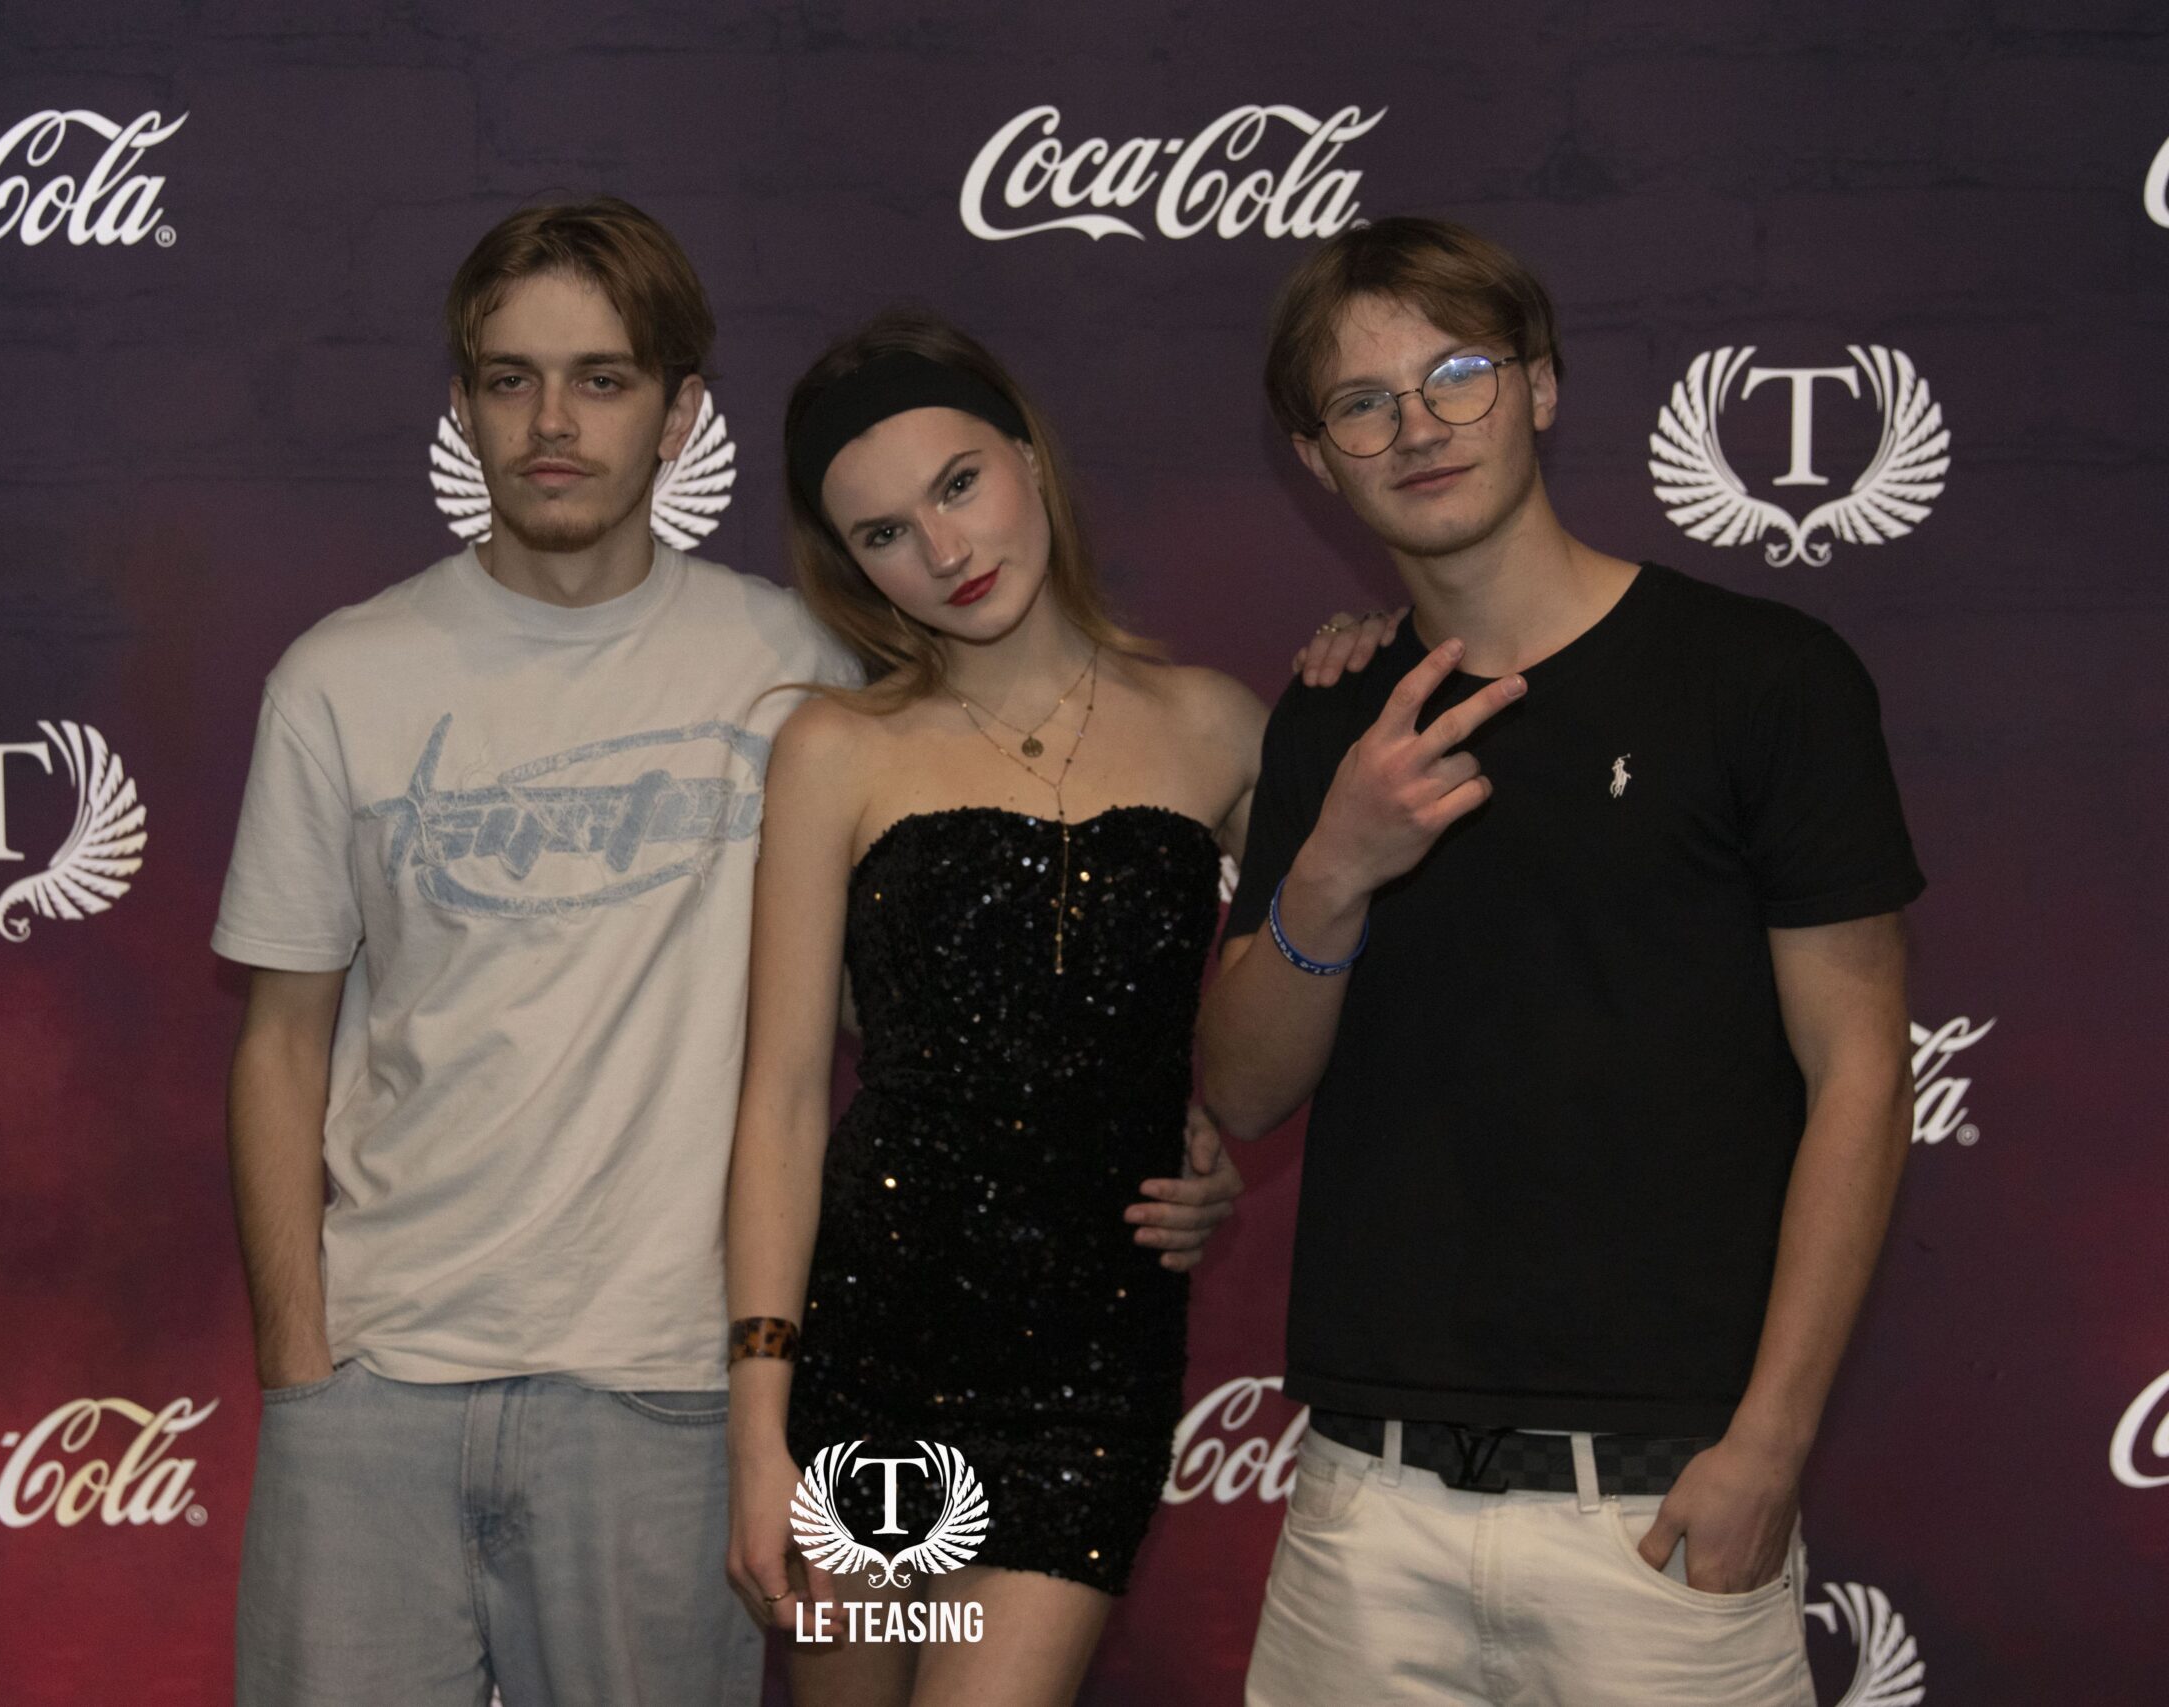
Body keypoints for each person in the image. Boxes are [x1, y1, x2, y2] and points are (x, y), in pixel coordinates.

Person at [211, 199, 1271, 1707]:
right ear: (462, 407)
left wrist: (1157, 1125)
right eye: (511, 379)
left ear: (677, 413)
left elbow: (965, 965)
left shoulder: (807, 673)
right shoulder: (340, 676)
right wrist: (301, 1369)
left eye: (602, 378)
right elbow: (280, 1042)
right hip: (382, 1385)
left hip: (674, 1397)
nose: (554, 422)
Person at [1199, 216, 1924, 1707]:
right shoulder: (1334, 713)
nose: (1418, 428)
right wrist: (1332, 866)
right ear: (1317, 459)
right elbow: (1244, 1088)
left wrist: (1770, 1445)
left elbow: (1861, 1072)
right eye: (1363, 403)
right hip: (1365, 1507)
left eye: (1457, 376)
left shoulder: (1764, 680)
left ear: (1539, 385)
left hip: (1658, 1513)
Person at [721, 311, 1394, 1707]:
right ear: (850, 566)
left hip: (1093, 1367)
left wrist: (1218, 1131)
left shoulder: (1218, 725)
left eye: (959, 483)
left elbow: (1305, 985)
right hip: (877, 1350)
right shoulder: (834, 748)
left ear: (1029, 457)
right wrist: (759, 1431)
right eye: (885, 533)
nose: (944, 549)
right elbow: (782, 1100)